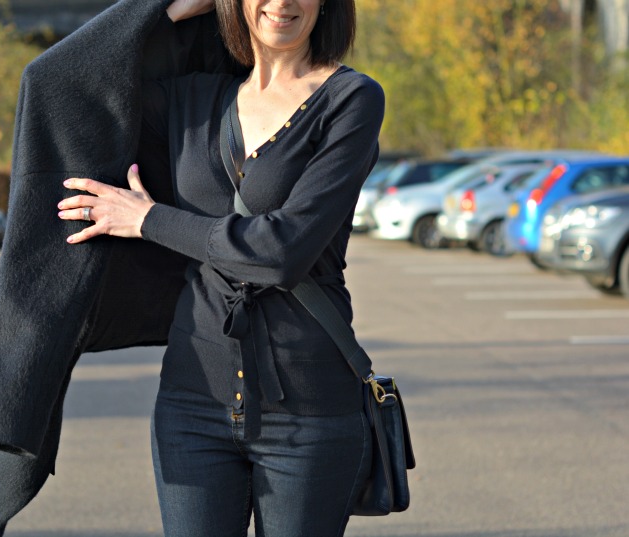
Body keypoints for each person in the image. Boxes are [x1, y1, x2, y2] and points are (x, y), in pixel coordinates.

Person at [57, 0, 385, 534]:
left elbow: (281, 252)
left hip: (310, 410)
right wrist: (168, 9)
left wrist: (147, 219)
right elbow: (70, 83)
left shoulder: (351, 99)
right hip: (192, 404)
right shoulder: (192, 98)